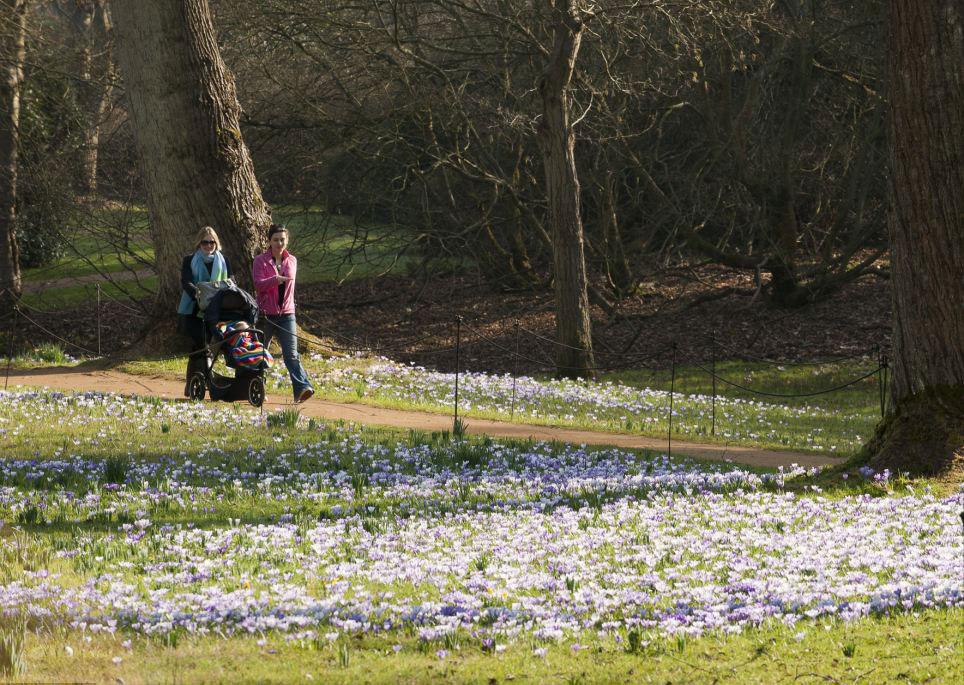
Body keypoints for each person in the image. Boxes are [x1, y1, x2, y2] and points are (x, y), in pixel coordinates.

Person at [252, 224, 314, 402]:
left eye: (282, 240)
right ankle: (256, 388)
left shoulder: (292, 260)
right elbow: (258, 284)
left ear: (287, 241)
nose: (279, 243)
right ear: (269, 241)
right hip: (265, 315)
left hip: (287, 314)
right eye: (276, 240)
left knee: (291, 355)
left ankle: (302, 388)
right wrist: (275, 280)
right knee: (259, 354)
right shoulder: (260, 261)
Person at [178, 226, 232, 394]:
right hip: (194, 309)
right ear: (199, 243)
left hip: (215, 309)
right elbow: (186, 281)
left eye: (212, 242)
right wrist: (198, 293)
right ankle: (207, 380)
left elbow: (230, 280)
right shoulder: (189, 260)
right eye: (205, 242)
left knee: (199, 348)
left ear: (216, 243)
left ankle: (192, 383)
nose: (209, 245)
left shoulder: (224, 260)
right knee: (201, 344)